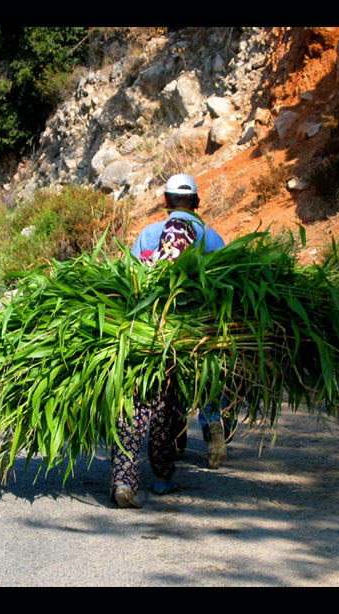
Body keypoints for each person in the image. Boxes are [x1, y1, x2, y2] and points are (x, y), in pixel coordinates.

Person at [110, 173, 230, 509]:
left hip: (146, 335)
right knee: (190, 391)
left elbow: (128, 277)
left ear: (165, 202)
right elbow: (227, 281)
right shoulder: (209, 236)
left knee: (136, 405)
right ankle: (208, 424)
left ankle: (124, 479)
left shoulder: (149, 234)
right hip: (191, 335)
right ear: (196, 203)